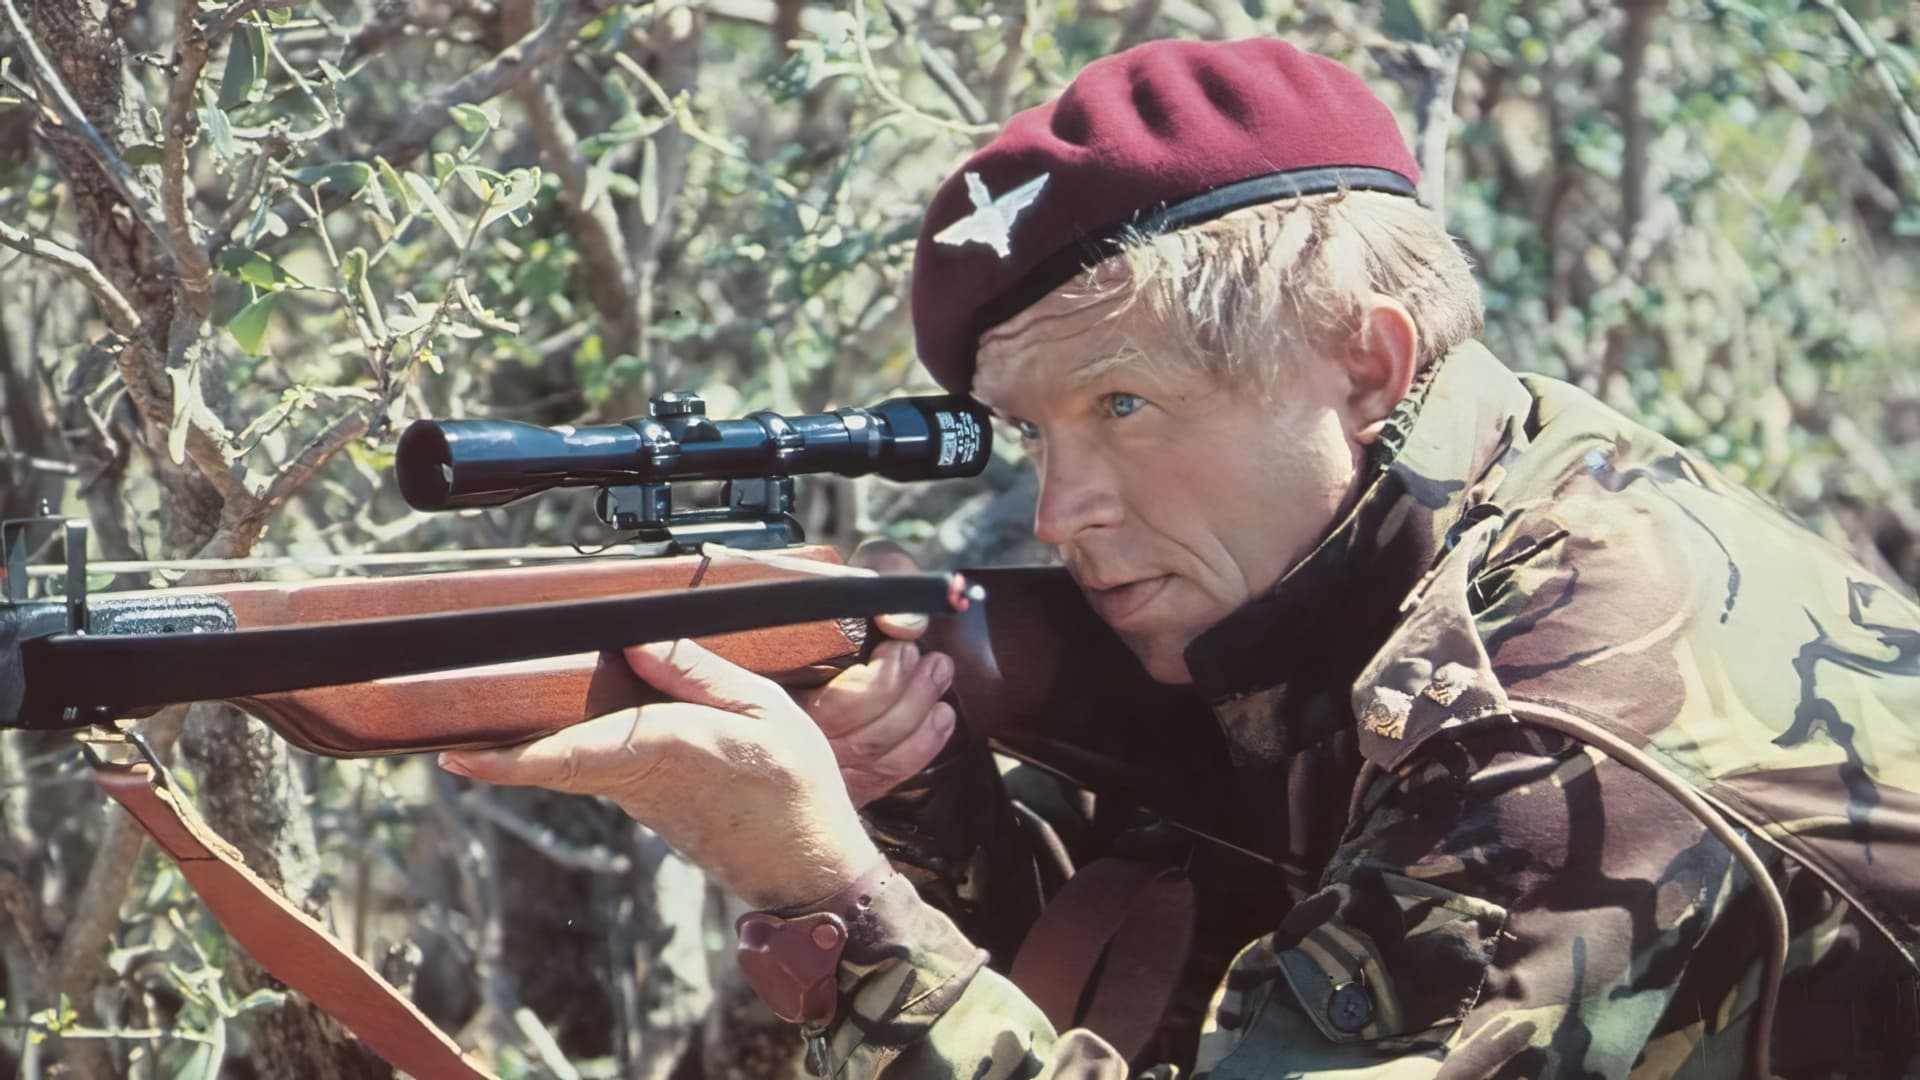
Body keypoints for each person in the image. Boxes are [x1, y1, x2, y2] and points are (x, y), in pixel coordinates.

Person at [438, 38, 1920, 1078]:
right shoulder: (1390, 540)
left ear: (1363, 362)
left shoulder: (1562, 714)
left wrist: (824, 889)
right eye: (1035, 434)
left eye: (1125, 408)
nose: (1062, 511)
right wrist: (915, 797)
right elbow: (1207, 948)